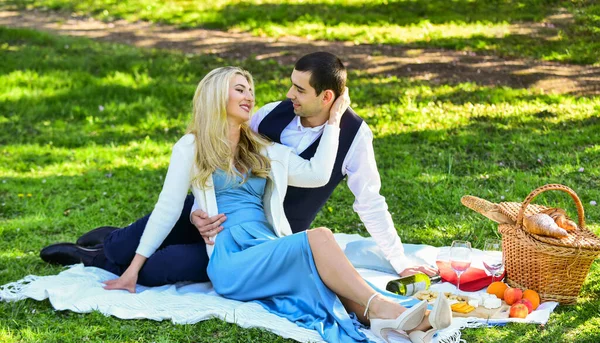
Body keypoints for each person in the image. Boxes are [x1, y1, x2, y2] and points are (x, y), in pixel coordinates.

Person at [42, 66, 450, 343]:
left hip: (263, 243)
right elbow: (168, 209)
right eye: (240, 88)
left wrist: (335, 120)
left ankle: (393, 321)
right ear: (217, 95)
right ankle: (104, 252)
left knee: (321, 271)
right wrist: (131, 272)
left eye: (250, 89)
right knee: (319, 239)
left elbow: (319, 173)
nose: (250, 95)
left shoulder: (265, 149)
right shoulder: (192, 146)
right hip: (230, 253)